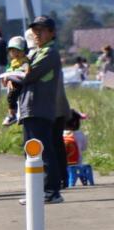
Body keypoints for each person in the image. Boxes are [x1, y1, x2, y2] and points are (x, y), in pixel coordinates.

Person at [18, 17, 67, 204]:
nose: (37, 34)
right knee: (31, 153)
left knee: (43, 151)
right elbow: (24, 71)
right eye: (35, 30)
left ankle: (51, 191)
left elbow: (28, 75)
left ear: (52, 33)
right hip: (30, 108)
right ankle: (36, 191)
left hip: (39, 107)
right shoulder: (37, 52)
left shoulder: (49, 53)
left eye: (42, 30)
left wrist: (16, 74)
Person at [0, 36, 28, 126]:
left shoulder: (24, 60)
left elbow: (26, 70)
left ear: (24, 51)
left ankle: (12, 115)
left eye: (18, 50)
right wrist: (7, 77)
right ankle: (14, 114)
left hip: (20, 82)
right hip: (13, 82)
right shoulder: (13, 62)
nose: (15, 53)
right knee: (11, 97)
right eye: (12, 51)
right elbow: (9, 71)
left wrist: (11, 76)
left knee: (12, 96)